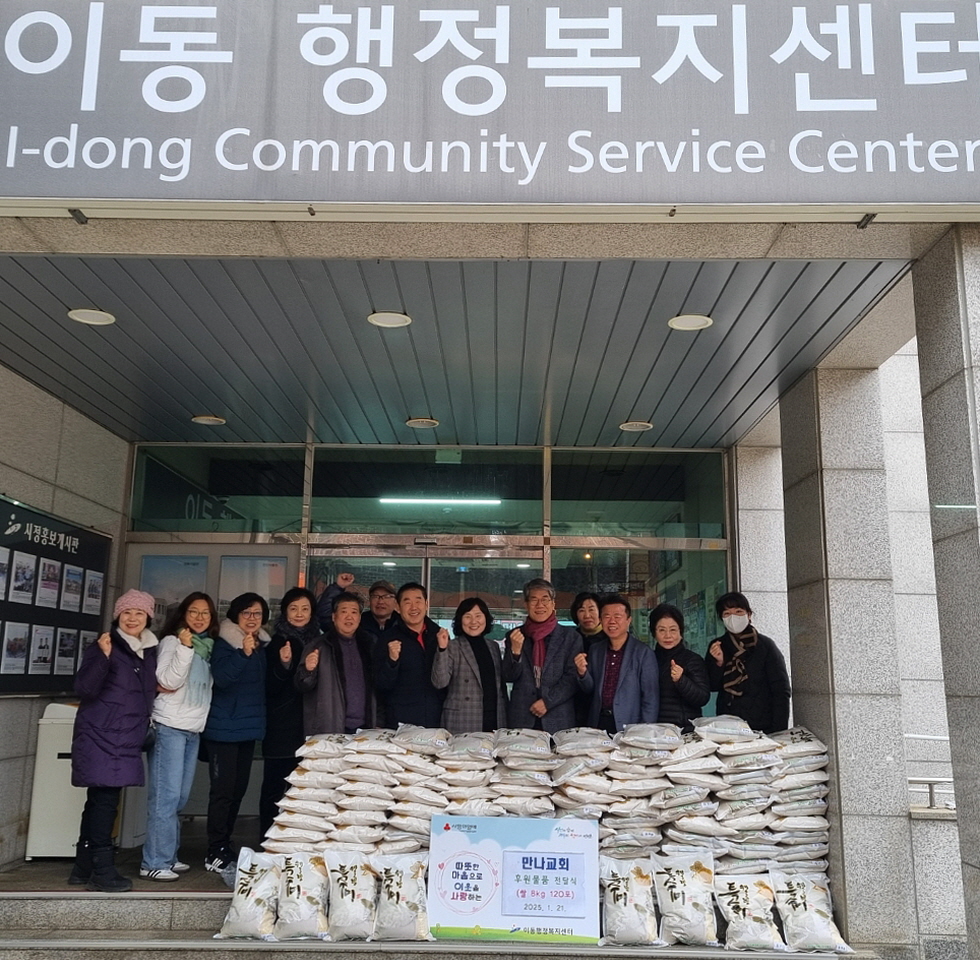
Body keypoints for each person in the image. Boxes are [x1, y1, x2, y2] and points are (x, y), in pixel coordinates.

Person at [69, 589, 158, 892]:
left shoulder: (147, 650)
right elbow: (85, 687)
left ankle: (83, 866)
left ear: (149, 618)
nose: (133, 618)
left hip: (122, 736)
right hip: (101, 734)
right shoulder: (106, 646)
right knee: (105, 803)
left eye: (140, 613)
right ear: (118, 615)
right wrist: (104, 658)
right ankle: (103, 871)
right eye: (127, 612)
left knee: (98, 802)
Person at [139, 592, 218, 881]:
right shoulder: (173, 642)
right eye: (194, 612)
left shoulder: (207, 648)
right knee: (165, 797)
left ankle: (168, 856)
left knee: (180, 797)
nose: (199, 617)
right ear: (183, 615)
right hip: (169, 726)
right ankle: (154, 862)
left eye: (206, 613)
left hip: (192, 729)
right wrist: (185, 649)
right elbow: (167, 681)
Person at [201, 592, 269, 873]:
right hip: (223, 728)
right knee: (222, 792)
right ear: (235, 616)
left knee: (237, 790)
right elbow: (224, 679)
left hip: (247, 729)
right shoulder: (226, 643)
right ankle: (214, 849)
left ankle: (225, 844)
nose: (252, 619)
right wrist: (243, 653)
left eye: (257, 614)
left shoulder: (264, 644)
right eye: (247, 613)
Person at [259, 587, 320, 837]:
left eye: (305, 608)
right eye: (293, 608)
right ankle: (268, 840)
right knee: (275, 788)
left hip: (311, 727)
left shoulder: (318, 641)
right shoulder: (275, 642)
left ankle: (297, 842)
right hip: (282, 727)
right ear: (285, 612)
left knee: (307, 789)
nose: (299, 614)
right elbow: (269, 688)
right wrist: (284, 665)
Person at [502, 578, 582, 732]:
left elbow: (572, 677)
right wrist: (516, 653)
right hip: (522, 716)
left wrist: (548, 702)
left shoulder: (570, 637)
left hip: (558, 716)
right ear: (526, 604)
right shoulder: (515, 635)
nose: (540, 605)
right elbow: (508, 676)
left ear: (553, 604)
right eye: (534, 600)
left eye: (545, 600)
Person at [705, 591, 791, 734]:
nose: (733, 617)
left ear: (749, 614)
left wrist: (779, 730)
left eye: (738, 611)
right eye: (727, 613)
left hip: (763, 724)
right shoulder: (718, 645)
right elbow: (712, 685)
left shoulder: (765, 645)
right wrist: (719, 663)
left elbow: (781, 689)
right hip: (728, 725)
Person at [294, 590, 379, 735]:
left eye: (354, 612)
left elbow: (380, 688)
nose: (349, 617)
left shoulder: (371, 645)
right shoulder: (318, 646)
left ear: (359, 617)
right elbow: (302, 686)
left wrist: (379, 722)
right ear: (334, 616)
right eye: (343, 611)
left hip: (366, 729)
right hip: (329, 728)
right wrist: (308, 669)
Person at [575, 594, 658, 734]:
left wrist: (645, 731)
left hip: (630, 725)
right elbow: (590, 689)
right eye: (607, 617)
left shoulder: (643, 653)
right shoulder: (596, 650)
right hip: (598, 723)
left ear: (628, 620)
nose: (612, 621)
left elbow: (650, 698)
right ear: (601, 620)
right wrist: (582, 673)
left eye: (617, 616)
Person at [375, 582, 447, 727]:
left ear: (426, 604)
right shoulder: (387, 639)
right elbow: (380, 685)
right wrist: (392, 661)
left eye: (418, 601)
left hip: (436, 719)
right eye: (407, 602)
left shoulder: (439, 635)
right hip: (400, 721)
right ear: (397, 607)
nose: (413, 607)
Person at [432, 597, 507, 734]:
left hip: (495, 717)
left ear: (486, 619)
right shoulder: (452, 646)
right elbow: (439, 682)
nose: (474, 621)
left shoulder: (493, 647)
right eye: (468, 616)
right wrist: (442, 649)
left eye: (478, 616)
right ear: (460, 620)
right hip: (463, 719)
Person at [649, 602, 710, 732]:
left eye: (673, 630)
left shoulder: (692, 659)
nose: (668, 636)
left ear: (681, 632)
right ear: (654, 633)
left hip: (684, 731)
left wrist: (681, 680)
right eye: (661, 630)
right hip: (655, 731)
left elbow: (703, 697)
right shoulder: (648, 659)